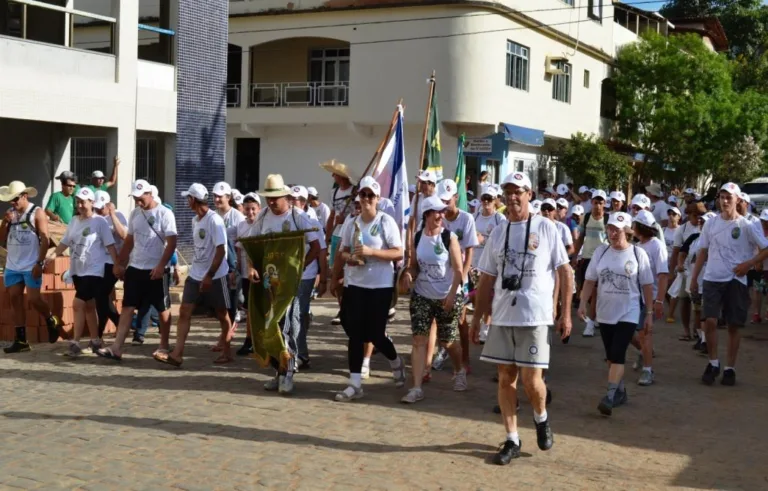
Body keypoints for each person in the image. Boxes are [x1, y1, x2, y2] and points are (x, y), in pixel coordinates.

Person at [470, 171, 572, 465]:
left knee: (532, 380)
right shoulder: (499, 231)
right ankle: (512, 439)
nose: (513, 197)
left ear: (530, 195)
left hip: (535, 315)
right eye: (509, 191)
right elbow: (487, 277)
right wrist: (478, 318)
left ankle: (541, 417)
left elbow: (565, 272)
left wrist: (565, 313)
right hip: (503, 314)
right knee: (505, 377)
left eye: (519, 191)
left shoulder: (546, 227)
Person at [333, 177, 405, 401]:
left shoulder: (385, 222)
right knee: (355, 333)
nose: (366, 199)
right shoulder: (351, 223)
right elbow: (342, 251)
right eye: (363, 195)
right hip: (355, 283)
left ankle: (395, 360)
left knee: (375, 334)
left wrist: (371, 253)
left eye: (370, 195)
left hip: (380, 285)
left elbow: (398, 252)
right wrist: (349, 260)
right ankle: (355, 383)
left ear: (378, 199)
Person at [690, 182, 768, 387]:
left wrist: (749, 264)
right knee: (711, 322)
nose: (724, 201)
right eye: (721, 197)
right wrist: (694, 278)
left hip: (736, 280)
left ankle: (730, 368)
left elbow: (765, 248)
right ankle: (713, 363)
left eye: (728, 198)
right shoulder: (711, 223)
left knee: (734, 325)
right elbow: (703, 252)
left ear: (737, 200)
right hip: (712, 278)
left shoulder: (747, 225)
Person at [578, 212, 654, 416]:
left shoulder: (638, 255)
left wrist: (649, 312)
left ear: (627, 231)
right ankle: (620, 391)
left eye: (617, 230)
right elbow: (590, 280)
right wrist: (582, 303)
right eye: (610, 229)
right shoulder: (601, 252)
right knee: (611, 356)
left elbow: (647, 285)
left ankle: (609, 396)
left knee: (618, 352)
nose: (612, 233)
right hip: (605, 312)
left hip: (629, 310)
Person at [253, 174, 321, 394]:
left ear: (286, 196)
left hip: (290, 285)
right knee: (270, 327)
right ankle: (278, 370)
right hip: (268, 282)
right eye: (268, 198)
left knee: (288, 327)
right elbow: (252, 245)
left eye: (275, 198)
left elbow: (317, 247)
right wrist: (251, 266)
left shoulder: (297, 216)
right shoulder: (262, 217)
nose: (271, 202)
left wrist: (299, 269)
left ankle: (288, 372)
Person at [96, 179, 178, 361]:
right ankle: (117, 347)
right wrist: (120, 263)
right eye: (135, 198)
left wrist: (161, 266)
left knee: (162, 308)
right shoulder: (135, 214)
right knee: (127, 307)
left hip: (156, 269)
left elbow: (171, 243)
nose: (138, 202)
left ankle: (164, 345)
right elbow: (129, 241)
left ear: (150, 194)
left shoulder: (165, 214)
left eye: (141, 198)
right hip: (136, 267)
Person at [154, 184, 233, 367]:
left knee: (222, 313)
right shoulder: (195, 220)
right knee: (184, 311)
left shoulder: (215, 221)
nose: (186, 201)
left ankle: (227, 350)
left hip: (215, 275)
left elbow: (221, 250)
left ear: (193, 199)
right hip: (196, 273)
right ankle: (177, 353)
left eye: (188, 198)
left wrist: (209, 275)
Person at [401, 195, 466, 403]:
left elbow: (458, 271)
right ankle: (416, 388)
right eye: (436, 212)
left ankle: (459, 369)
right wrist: (409, 274)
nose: (440, 215)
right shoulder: (418, 237)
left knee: (448, 342)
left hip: (447, 295)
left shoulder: (449, 238)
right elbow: (414, 265)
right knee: (419, 339)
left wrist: (450, 295)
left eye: (442, 212)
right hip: (422, 295)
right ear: (426, 214)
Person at [47, 187, 119, 356]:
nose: (80, 205)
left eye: (83, 202)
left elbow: (110, 245)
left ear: (92, 203)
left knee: (78, 303)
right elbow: (65, 242)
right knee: (88, 306)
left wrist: (117, 265)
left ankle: (75, 343)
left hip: (94, 270)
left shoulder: (99, 222)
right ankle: (95, 340)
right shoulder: (73, 221)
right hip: (78, 269)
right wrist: (54, 254)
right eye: (77, 202)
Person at [0, 181, 62, 352]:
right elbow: (1, 238)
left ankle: (50, 320)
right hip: (13, 264)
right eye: (10, 200)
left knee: (34, 299)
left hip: (30, 264)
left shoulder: (37, 213)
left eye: (15, 199)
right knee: (14, 298)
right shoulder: (10, 214)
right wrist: (5, 223)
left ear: (24, 196)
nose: (13, 203)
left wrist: (39, 263)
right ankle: (21, 341)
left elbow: (45, 239)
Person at [430, 178, 479, 375]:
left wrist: (462, 278)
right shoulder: (436, 217)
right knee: (437, 317)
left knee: (460, 320)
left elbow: (469, 252)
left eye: (447, 201)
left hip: (460, 277)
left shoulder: (466, 219)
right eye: (441, 201)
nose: (444, 205)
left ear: (456, 198)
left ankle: (465, 359)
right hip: (439, 276)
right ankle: (443, 352)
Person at [630, 210, 668, 386]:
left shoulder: (657, 246)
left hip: (649, 298)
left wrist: (659, 300)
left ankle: (647, 370)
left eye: (634, 224)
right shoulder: (636, 246)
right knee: (629, 333)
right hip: (633, 297)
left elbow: (662, 275)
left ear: (640, 226)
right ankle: (644, 351)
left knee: (644, 333)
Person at [571, 189, 609, 337]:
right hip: (587, 258)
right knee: (588, 290)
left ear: (604, 204)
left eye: (600, 202)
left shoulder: (608, 218)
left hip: (602, 258)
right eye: (595, 202)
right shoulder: (586, 218)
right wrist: (575, 255)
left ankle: (591, 323)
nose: (598, 205)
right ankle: (594, 318)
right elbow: (580, 238)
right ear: (591, 202)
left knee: (595, 291)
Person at [93, 191, 127, 339]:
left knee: (101, 294)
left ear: (108, 204)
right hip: (100, 262)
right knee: (101, 296)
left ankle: (104, 330)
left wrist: (112, 215)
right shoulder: (95, 217)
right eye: (97, 207)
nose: (99, 210)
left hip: (114, 262)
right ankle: (116, 323)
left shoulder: (119, 216)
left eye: (102, 207)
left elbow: (123, 235)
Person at [668, 202, 704, 333]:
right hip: (685, 270)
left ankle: (698, 330)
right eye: (695, 215)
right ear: (688, 215)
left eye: (701, 216)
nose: (698, 218)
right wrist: (672, 272)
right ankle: (686, 330)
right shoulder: (682, 229)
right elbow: (676, 252)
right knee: (684, 299)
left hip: (701, 271)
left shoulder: (705, 227)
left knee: (699, 303)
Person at [235, 193, 262, 356]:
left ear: (259, 208)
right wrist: (238, 266)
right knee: (250, 308)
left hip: (261, 271)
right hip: (246, 273)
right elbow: (239, 247)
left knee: (261, 307)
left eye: (253, 209)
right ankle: (249, 339)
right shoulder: (241, 225)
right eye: (247, 209)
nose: (250, 212)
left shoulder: (264, 223)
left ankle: (261, 340)